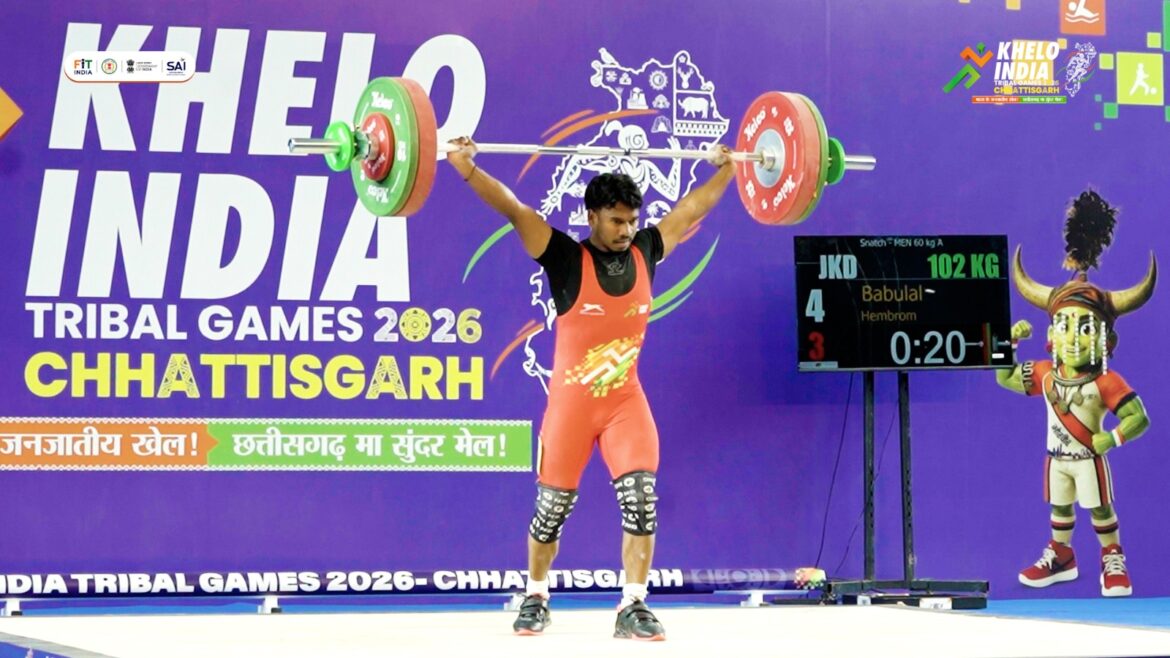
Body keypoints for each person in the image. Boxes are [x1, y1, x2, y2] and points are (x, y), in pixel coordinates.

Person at [447, 136, 734, 640]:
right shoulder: (562, 257)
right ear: (593, 217)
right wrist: (467, 169)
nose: (627, 230)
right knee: (549, 513)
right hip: (571, 409)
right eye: (617, 220)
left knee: (642, 499)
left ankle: (633, 605)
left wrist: (727, 168)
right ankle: (536, 594)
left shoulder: (646, 249)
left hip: (625, 403)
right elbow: (514, 210)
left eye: (632, 220)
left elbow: (691, 208)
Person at [997, 190, 1155, 597]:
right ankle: (1061, 556)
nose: (1072, 337)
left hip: (1088, 456)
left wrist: (1113, 437)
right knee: (1060, 509)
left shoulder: (1106, 381)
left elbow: (1140, 417)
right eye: (1064, 325)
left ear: (1104, 338)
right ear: (1051, 334)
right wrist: (1009, 346)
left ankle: (1112, 557)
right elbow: (1005, 379)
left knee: (1100, 509)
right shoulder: (1048, 373)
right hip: (1058, 459)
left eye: (1085, 328)